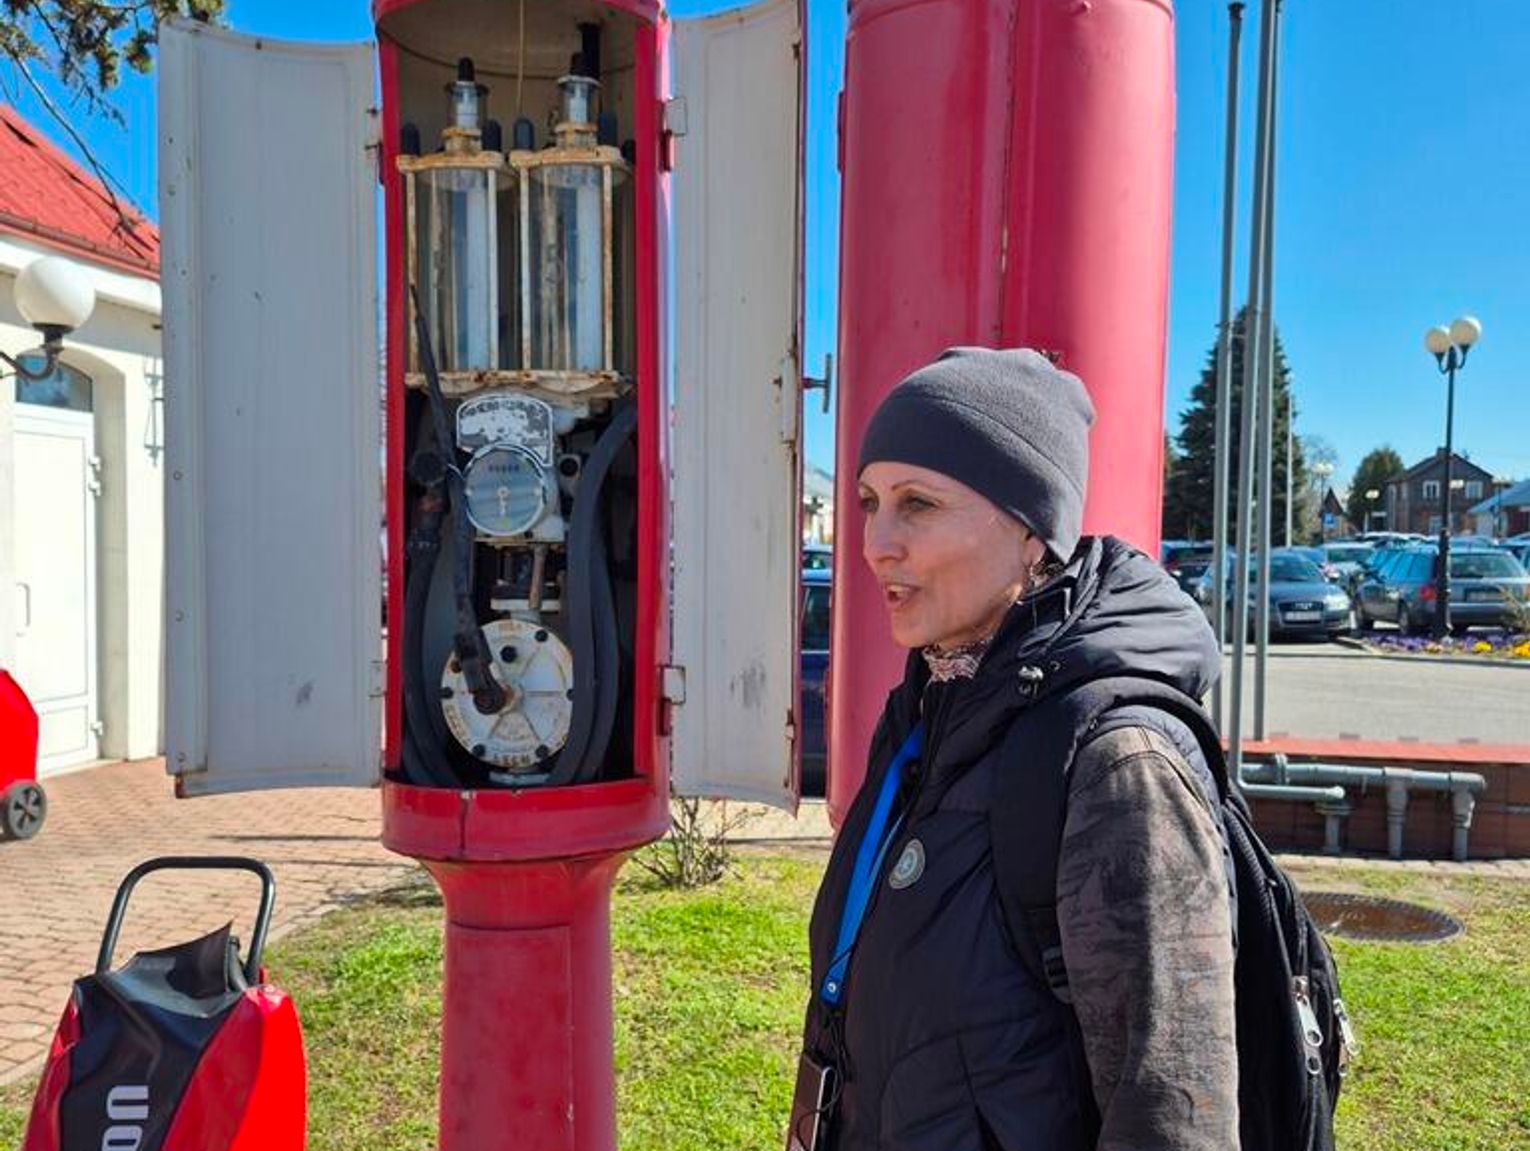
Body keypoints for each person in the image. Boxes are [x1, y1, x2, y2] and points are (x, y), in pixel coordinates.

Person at [794, 348, 1238, 1151]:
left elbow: (1173, 1114)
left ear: (1033, 532)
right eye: (868, 501)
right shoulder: (930, 707)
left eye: (918, 504)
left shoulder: (1118, 763)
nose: (874, 543)